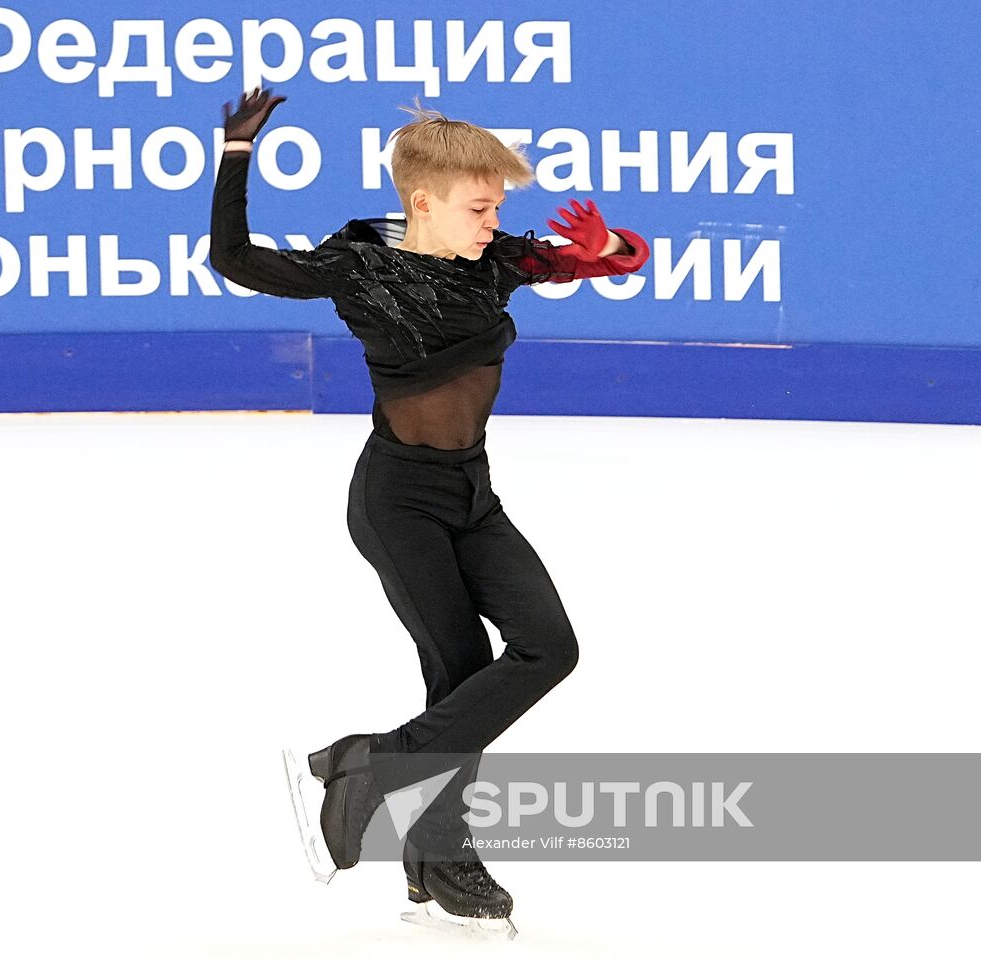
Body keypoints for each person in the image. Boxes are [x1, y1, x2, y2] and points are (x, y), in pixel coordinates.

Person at [209, 86, 650, 933]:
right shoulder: (360, 267)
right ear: (423, 202)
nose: (493, 221)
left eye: (497, 207)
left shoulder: (494, 260)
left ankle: (368, 763)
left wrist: (609, 249)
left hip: (473, 498)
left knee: (547, 647)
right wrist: (237, 154)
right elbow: (237, 258)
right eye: (479, 206)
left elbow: (593, 261)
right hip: (397, 502)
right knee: (458, 671)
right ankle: (439, 861)